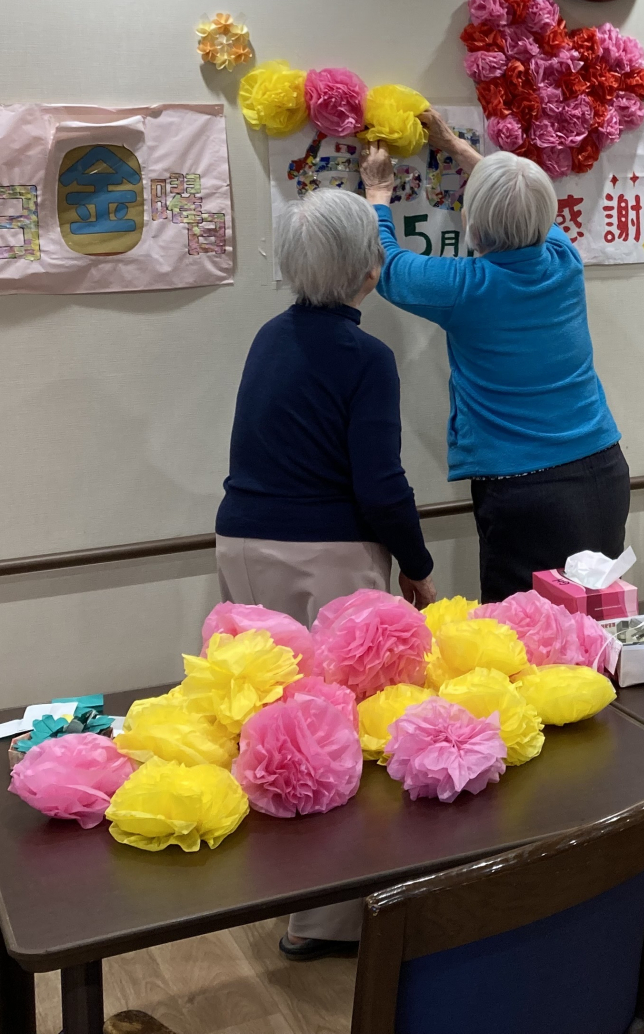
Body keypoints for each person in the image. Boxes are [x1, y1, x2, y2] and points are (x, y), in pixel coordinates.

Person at [214, 187, 436, 961]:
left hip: (241, 543)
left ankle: (288, 895)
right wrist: (418, 567)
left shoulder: (267, 338)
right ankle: (334, 921)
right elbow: (380, 484)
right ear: (369, 269)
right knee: (342, 728)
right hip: (324, 555)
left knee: (271, 720)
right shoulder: (365, 358)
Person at [361, 110, 626, 601]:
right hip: (602, 471)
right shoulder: (563, 259)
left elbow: (388, 267)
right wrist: (456, 147)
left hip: (525, 490)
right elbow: (521, 201)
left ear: (472, 222)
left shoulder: (468, 287)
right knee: (593, 619)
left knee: (521, 632)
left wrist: (377, 194)